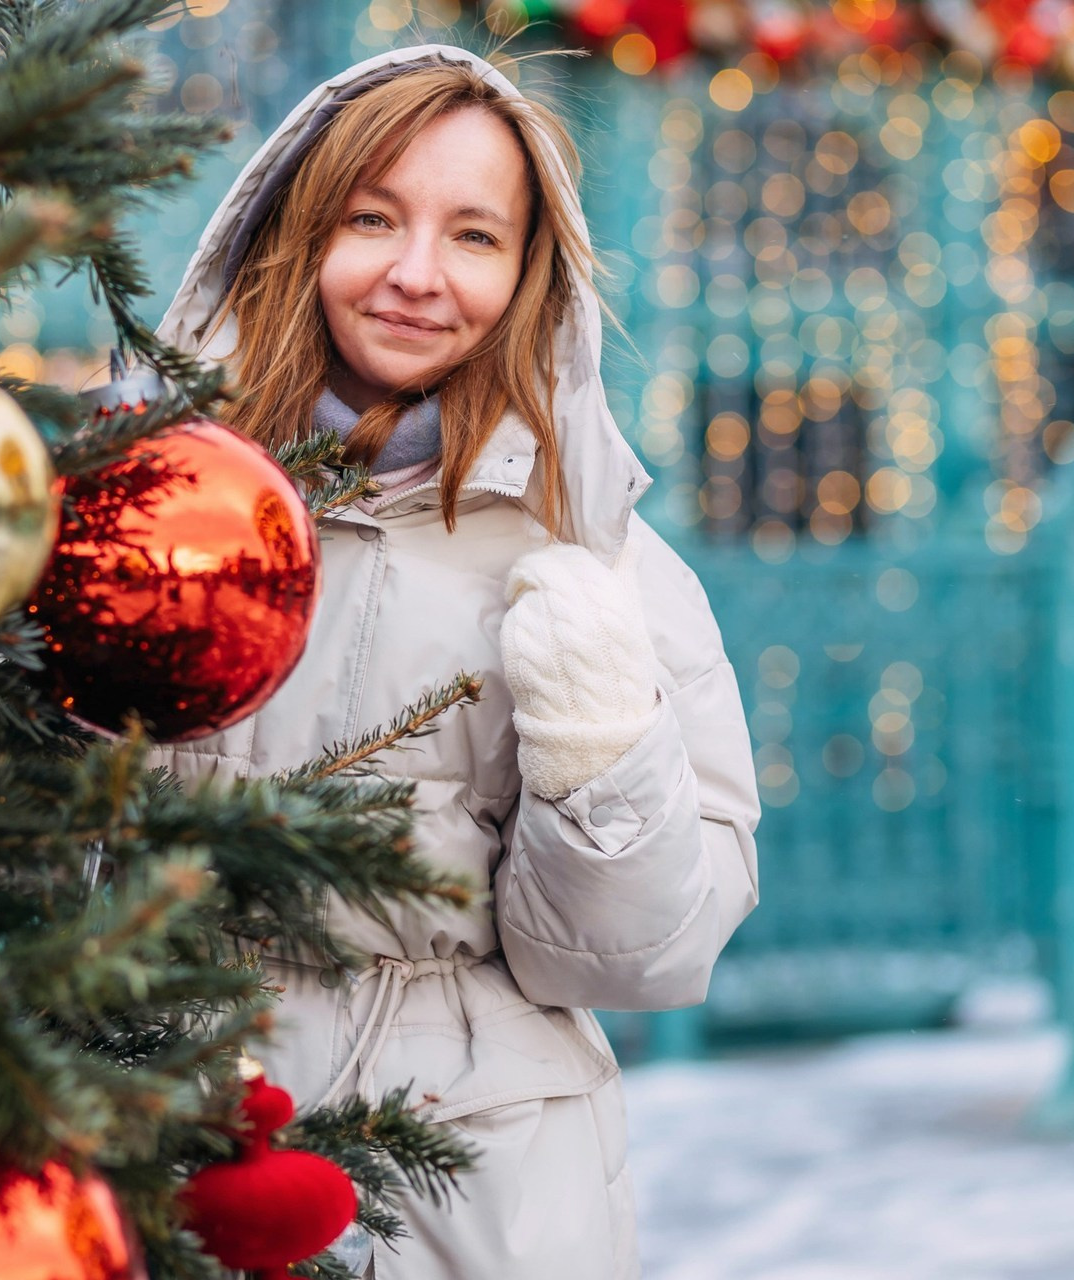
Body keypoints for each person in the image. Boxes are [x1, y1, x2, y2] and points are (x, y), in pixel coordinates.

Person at [151, 44, 760, 1280]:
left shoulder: (598, 557)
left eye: (475, 237)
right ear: (294, 235)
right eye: (372, 218)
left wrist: (598, 752)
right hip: (162, 1133)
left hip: (478, 1194)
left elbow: (649, 956)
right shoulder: (154, 508)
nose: (417, 276)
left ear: (531, 271)